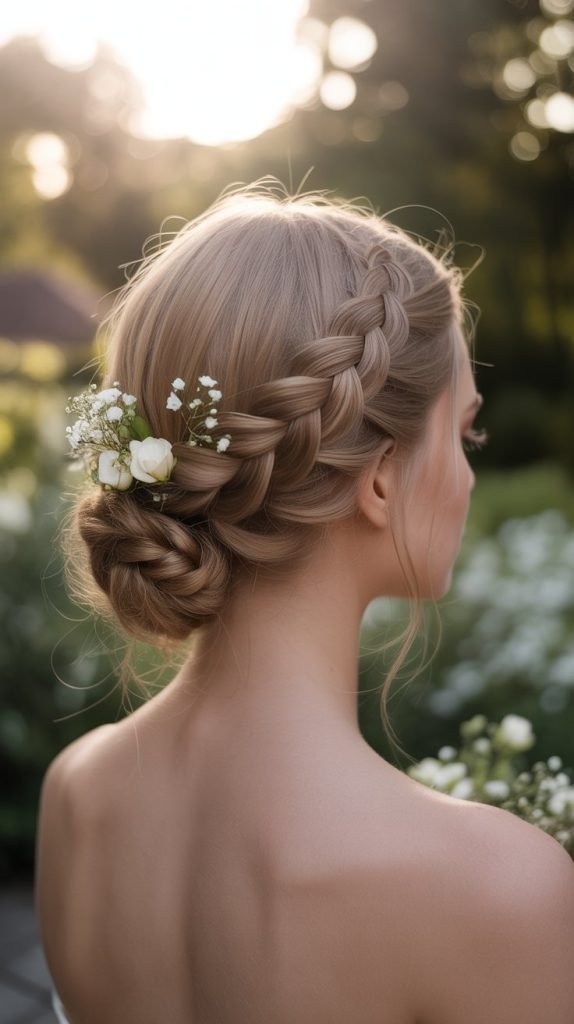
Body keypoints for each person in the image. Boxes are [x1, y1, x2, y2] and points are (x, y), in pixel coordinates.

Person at [35, 180, 574, 1024]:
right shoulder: (497, 887)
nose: (469, 474)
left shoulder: (77, 795)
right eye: (464, 431)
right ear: (382, 478)